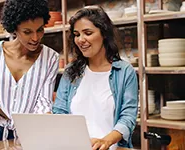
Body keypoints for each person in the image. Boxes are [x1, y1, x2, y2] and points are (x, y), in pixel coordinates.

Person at [0, 0, 59, 144]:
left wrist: (46, 119)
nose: (35, 38)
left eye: (40, 29)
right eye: (27, 32)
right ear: (14, 29)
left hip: (29, 135)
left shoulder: (51, 58)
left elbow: (43, 101)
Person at [52, 6, 138, 150]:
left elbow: (128, 117)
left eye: (88, 33)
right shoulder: (71, 71)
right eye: (77, 34)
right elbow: (60, 112)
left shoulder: (124, 71)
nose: (80, 40)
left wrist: (105, 141)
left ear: (104, 34)